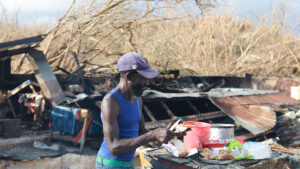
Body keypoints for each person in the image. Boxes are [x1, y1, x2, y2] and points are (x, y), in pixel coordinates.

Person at [96, 52, 186, 169]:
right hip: (109, 165)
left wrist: (167, 133)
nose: (147, 83)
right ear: (128, 77)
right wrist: (153, 134)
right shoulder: (111, 101)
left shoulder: (137, 98)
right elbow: (114, 147)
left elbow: (140, 132)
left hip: (129, 164)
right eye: (142, 78)